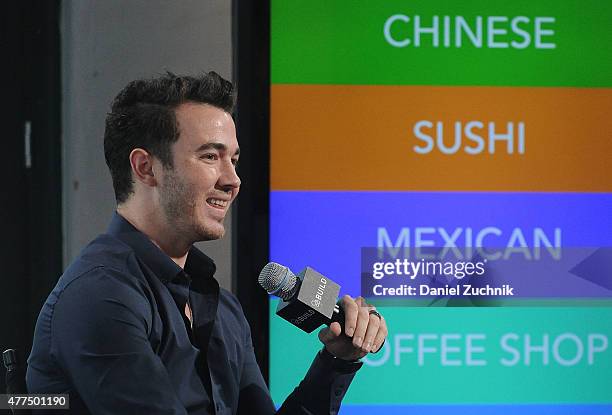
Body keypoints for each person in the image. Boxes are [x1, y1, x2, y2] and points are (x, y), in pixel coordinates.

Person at [26, 72, 388, 414]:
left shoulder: (222, 308)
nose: (233, 180)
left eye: (234, 160)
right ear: (146, 168)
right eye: (210, 157)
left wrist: (339, 360)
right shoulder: (101, 296)